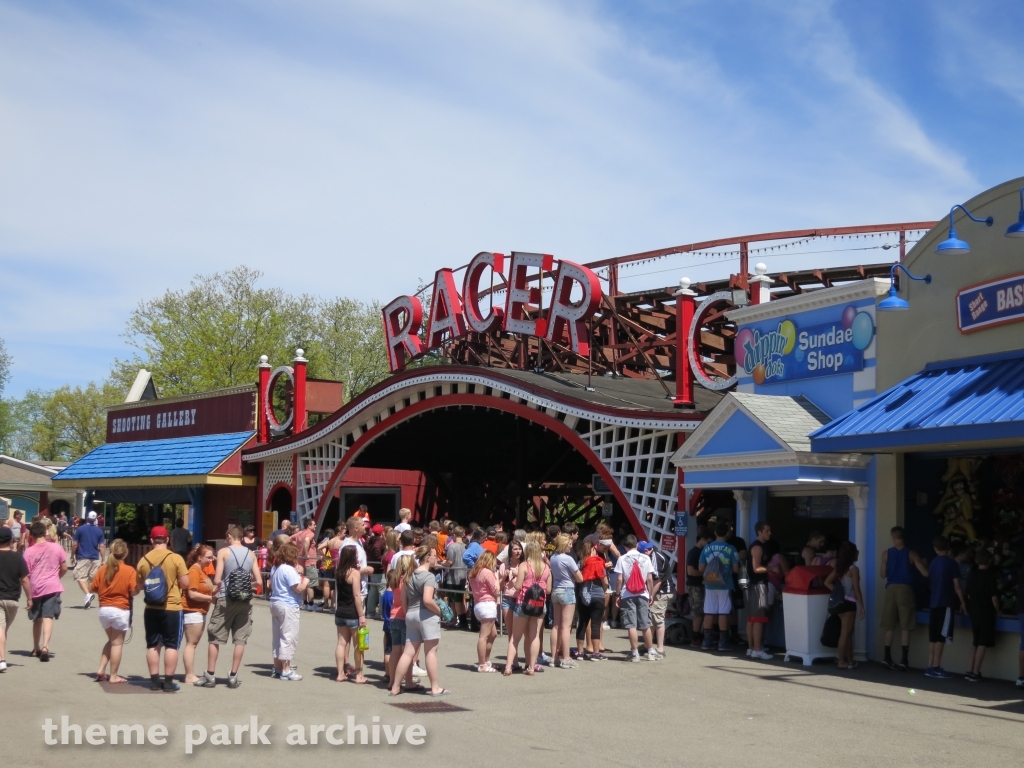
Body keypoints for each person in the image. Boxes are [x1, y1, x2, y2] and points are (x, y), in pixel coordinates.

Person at [197, 526, 261, 689]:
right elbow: (259, 581)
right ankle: (233, 676)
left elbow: (218, 579)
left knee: (215, 636)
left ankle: (210, 675)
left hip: (226, 597)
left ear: (230, 536)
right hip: (244, 599)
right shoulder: (251, 554)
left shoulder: (224, 552)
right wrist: (246, 583)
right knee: (240, 639)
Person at [390, 545, 449, 696]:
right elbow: (428, 600)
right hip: (426, 615)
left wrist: (409, 611)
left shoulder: (408, 576)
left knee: (408, 652)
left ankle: (396, 686)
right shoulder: (428, 576)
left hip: (411, 613)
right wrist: (440, 611)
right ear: (428, 557)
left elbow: (404, 600)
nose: (437, 558)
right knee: (430, 652)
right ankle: (435, 687)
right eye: (435, 555)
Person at [136, 525, 189, 691]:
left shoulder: (144, 560)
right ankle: (168, 682)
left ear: (151, 540)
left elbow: (139, 586)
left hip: (151, 607)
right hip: (172, 607)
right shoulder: (176, 558)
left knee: (153, 644)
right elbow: (185, 583)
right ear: (168, 540)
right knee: (171, 645)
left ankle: (154, 681)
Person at [879, 526, 929, 670]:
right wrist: (925, 563)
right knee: (905, 626)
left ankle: (886, 657)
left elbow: (882, 574)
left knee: (889, 625)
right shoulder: (911, 553)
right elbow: (925, 573)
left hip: (891, 589)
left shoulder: (886, 554)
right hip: (906, 589)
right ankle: (903, 660)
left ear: (893, 538)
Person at [90, 539, 138, 683]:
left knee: (111, 641)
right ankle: (114, 676)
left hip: (104, 609)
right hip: (120, 609)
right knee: (117, 644)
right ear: (125, 553)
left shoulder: (103, 569)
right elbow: (134, 592)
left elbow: (93, 587)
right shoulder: (129, 570)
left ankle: (101, 669)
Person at [504, 540, 551, 676]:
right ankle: (531, 667)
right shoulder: (546, 568)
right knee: (534, 636)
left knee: (515, 637)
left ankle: (508, 667)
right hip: (539, 605)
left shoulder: (524, 565)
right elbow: (548, 590)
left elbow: (518, 586)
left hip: (523, 604)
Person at [24, 520, 67, 662]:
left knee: (37, 619)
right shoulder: (56, 548)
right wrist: (56, 577)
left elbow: (26, 574)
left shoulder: (28, 552)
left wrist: (28, 595)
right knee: (48, 616)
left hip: (36, 587)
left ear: (31, 535)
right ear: (44, 532)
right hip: (52, 586)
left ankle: (35, 647)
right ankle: (45, 646)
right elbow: (64, 567)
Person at [925, 536, 967, 679]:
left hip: (934, 602)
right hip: (946, 602)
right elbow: (957, 586)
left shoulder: (933, 563)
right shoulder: (951, 564)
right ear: (948, 547)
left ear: (935, 548)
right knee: (941, 636)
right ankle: (936, 667)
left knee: (933, 636)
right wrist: (963, 603)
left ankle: (930, 665)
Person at [614, 535, 658, 662]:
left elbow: (619, 579)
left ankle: (634, 653)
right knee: (645, 624)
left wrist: (617, 595)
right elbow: (650, 578)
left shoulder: (622, 559)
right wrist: (650, 594)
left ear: (624, 547)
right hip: (643, 594)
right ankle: (650, 651)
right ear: (637, 545)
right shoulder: (646, 558)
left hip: (627, 595)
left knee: (631, 625)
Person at [270, 542, 308, 681]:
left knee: (277, 636)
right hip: (288, 604)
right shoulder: (289, 569)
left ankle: (277, 667)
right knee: (288, 636)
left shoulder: (276, 568)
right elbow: (298, 588)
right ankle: (286, 669)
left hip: (276, 602)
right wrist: (306, 581)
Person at [699, 521, 740, 652]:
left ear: (715, 533)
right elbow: (736, 569)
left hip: (709, 584)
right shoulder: (732, 549)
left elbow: (701, 568)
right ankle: (723, 642)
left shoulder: (707, 548)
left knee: (709, 611)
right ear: (727, 533)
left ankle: (707, 641)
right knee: (723, 612)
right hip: (725, 584)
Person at [824, 542, 865, 670]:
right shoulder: (854, 569)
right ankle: (842, 661)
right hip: (850, 603)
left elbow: (827, 582)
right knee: (846, 633)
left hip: (841, 603)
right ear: (852, 554)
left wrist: (837, 594)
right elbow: (857, 590)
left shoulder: (840, 568)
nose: (858, 553)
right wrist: (862, 605)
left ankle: (850, 660)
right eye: (856, 551)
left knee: (847, 632)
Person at [334, 544, 368, 684]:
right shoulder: (354, 573)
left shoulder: (338, 571)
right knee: (358, 645)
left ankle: (340, 673)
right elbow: (356, 595)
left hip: (340, 611)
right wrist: (361, 615)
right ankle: (359, 675)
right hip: (352, 612)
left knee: (341, 643)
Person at [181, 544, 215, 684]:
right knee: (191, 644)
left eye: (212, 557)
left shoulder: (202, 570)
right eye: (208, 557)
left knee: (193, 644)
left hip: (199, 611)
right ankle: (189, 675)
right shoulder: (194, 570)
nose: (211, 560)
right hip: (192, 611)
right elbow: (192, 593)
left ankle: (190, 674)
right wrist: (209, 598)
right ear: (200, 557)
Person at [548, 534, 582, 668]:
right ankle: (566, 658)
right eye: (569, 543)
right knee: (566, 626)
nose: (571, 545)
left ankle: (554, 657)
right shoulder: (568, 559)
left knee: (556, 625)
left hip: (556, 589)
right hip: (567, 590)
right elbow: (580, 577)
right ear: (564, 544)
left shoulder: (553, 557)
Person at [0, 526, 30, 672]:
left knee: (1, 628)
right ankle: (1, 657)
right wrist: (30, 598)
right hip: (13, 600)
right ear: (11, 540)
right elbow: (25, 580)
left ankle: (1, 659)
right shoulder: (18, 557)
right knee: (3, 628)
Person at [965, 548, 998, 681]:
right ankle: (976, 671)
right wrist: (998, 609)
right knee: (982, 643)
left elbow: (968, 594)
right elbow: (994, 597)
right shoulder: (990, 576)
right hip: (986, 612)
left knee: (975, 642)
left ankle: (969, 669)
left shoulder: (972, 575)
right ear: (989, 561)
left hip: (974, 611)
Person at [575, 538, 609, 660]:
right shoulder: (599, 562)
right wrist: (605, 589)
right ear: (594, 549)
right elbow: (604, 580)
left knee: (582, 624)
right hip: (597, 595)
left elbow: (577, 578)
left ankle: (580, 652)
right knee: (595, 624)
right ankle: (595, 653)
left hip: (583, 595)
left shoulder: (580, 562)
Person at [746, 522, 774, 660]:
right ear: (759, 532)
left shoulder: (758, 546)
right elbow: (757, 568)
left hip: (754, 585)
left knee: (752, 618)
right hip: (759, 585)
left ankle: (752, 648)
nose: (769, 533)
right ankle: (757, 649)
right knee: (758, 618)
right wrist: (772, 569)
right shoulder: (757, 547)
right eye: (767, 530)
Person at [468, 550, 499, 672]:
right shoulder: (487, 572)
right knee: (483, 636)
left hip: (478, 605)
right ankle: (482, 664)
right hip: (487, 604)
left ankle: (486, 660)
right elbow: (496, 590)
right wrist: (497, 578)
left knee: (493, 634)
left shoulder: (474, 572)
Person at [644, 539, 673, 658]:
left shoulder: (656, 557)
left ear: (647, 550)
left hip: (661, 592)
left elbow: (657, 580)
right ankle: (648, 646)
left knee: (658, 619)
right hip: (661, 591)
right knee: (652, 619)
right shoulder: (656, 554)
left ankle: (660, 649)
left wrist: (651, 595)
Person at [73, 511, 106, 609]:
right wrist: (103, 559)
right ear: (95, 519)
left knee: (79, 577)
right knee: (91, 579)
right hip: (95, 557)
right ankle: (88, 597)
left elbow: (75, 544)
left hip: (83, 556)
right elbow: (102, 546)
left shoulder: (80, 529)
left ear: (87, 518)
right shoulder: (99, 531)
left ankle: (88, 595)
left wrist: (71, 556)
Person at [685, 528, 710, 647]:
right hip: (695, 585)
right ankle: (695, 637)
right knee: (698, 612)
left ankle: (701, 635)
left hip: (702, 585)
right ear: (702, 540)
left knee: (704, 611)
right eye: (708, 542)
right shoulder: (694, 552)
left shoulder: (702, 551)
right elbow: (690, 571)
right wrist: (706, 574)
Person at [290, 518, 319, 612]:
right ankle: (311, 604)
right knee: (311, 584)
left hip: (301, 562)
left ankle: (304, 603)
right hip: (309, 562)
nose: (315, 526)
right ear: (309, 526)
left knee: (304, 582)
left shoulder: (300, 533)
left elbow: (289, 538)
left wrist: (295, 550)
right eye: (314, 524)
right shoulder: (310, 533)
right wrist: (306, 553)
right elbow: (307, 540)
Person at [443, 527, 468, 629]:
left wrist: (442, 564)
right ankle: (455, 620)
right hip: (463, 576)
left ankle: (462, 621)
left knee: (456, 600)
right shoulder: (467, 546)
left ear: (454, 535)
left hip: (454, 577)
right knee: (455, 600)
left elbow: (449, 562)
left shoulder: (452, 547)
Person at [498, 538, 523, 635]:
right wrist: (504, 577)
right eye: (515, 549)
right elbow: (499, 588)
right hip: (507, 600)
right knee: (510, 631)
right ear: (510, 551)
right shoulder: (504, 565)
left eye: (519, 549)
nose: (518, 551)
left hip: (520, 600)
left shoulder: (524, 565)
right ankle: (513, 650)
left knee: (519, 632)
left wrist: (519, 575)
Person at [365, 523, 387, 617]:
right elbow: (377, 549)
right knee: (382, 591)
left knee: (372, 591)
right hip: (379, 569)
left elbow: (368, 547)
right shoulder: (381, 541)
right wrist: (381, 558)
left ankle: (370, 612)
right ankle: (382, 612)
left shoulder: (369, 540)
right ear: (382, 532)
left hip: (371, 568)